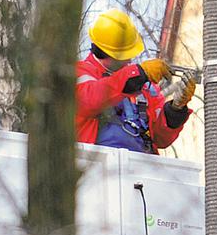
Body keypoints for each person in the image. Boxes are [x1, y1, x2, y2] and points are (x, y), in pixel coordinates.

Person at [75, 9, 195, 154]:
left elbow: (161, 139)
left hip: (140, 167)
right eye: (125, 55)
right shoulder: (79, 73)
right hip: (97, 166)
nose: (130, 59)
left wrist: (175, 110)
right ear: (105, 53)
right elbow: (90, 99)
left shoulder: (144, 87)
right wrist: (137, 74)